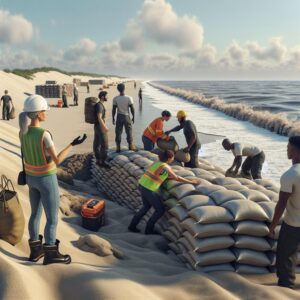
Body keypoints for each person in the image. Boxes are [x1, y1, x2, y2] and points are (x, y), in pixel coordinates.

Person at [19, 95, 87, 265]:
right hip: (46, 179)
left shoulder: (23, 132)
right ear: (38, 114)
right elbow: (57, 161)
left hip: (31, 178)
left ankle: (35, 252)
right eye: (44, 111)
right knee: (52, 219)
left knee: (35, 214)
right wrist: (72, 145)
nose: (46, 114)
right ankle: (50, 253)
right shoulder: (44, 134)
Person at [128, 150, 200, 234]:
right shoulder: (165, 166)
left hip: (142, 185)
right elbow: (177, 177)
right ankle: (149, 230)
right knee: (160, 210)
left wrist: (167, 177)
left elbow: (158, 174)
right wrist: (192, 182)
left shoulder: (157, 163)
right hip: (149, 189)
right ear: (169, 158)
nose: (173, 159)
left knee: (146, 207)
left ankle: (132, 226)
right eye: (173, 157)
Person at [268, 136, 300, 289]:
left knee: (285, 257)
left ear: (295, 151)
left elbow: (281, 204)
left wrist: (272, 226)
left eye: (288, 148)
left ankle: (286, 289)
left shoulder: (290, 175)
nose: (287, 150)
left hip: (293, 225)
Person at [112, 83, 137, 152]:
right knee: (129, 131)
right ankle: (130, 146)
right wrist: (133, 117)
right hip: (126, 116)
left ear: (118, 89)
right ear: (124, 88)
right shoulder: (129, 98)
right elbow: (132, 108)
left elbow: (114, 109)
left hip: (119, 116)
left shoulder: (115, 98)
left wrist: (113, 118)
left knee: (118, 132)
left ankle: (118, 147)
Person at [93, 91, 109, 168]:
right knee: (105, 145)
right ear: (102, 97)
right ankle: (102, 161)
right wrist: (104, 127)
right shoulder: (99, 105)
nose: (107, 97)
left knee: (96, 143)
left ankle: (98, 160)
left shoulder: (99, 105)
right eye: (106, 96)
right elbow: (99, 117)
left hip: (96, 126)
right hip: (100, 126)